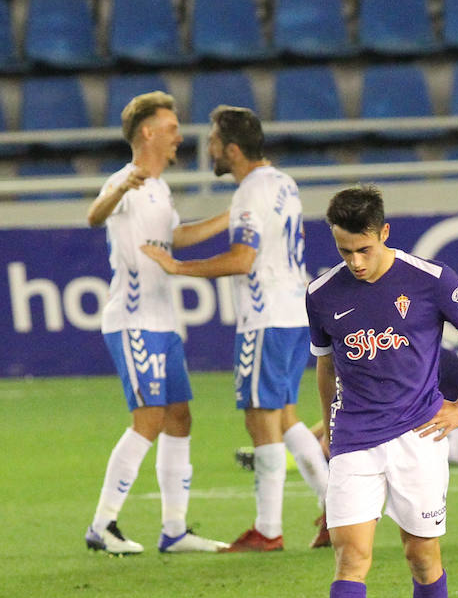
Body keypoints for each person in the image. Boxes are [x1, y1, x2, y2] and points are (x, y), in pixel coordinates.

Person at [309, 186, 458, 598]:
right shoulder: (321, 293)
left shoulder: (432, 280)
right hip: (353, 439)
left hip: (418, 440)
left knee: (422, 559)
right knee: (351, 557)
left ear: (384, 233)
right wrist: (328, 426)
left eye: (364, 249)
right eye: (345, 250)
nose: (355, 261)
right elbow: (326, 364)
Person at [142, 106, 333, 552]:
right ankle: (336, 510)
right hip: (293, 310)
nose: (206, 148)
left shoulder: (251, 191)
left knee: (259, 418)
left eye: (211, 141)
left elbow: (242, 260)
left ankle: (268, 531)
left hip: (265, 315)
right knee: (285, 416)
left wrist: (177, 268)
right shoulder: (282, 182)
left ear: (231, 149)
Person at [83, 91, 230, 555]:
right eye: (170, 128)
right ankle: (102, 524)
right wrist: (120, 189)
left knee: (179, 418)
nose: (178, 136)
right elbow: (94, 215)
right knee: (147, 420)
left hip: (164, 322)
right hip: (133, 321)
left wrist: (231, 218)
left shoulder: (161, 189)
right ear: (147, 132)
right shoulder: (127, 179)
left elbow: (175, 238)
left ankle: (174, 529)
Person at [234, 339, 458, 471]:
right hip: (449, 428)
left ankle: (291, 458)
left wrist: (314, 436)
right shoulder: (421, 347)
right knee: (373, 429)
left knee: (383, 434)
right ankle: (295, 455)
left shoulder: (428, 355)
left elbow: (395, 408)